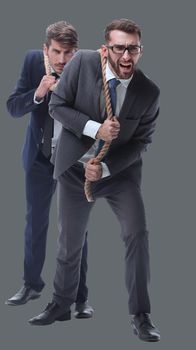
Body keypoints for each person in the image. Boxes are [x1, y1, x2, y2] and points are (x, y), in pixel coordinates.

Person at [29, 18, 160, 342]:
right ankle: (61, 303)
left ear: (140, 51)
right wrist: (94, 129)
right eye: (119, 48)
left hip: (119, 174)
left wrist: (104, 169)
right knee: (69, 241)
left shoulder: (148, 92)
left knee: (137, 234)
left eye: (133, 48)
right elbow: (57, 106)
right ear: (106, 49)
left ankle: (140, 315)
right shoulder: (83, 63)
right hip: (75, 169)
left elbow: (141, 142)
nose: (126, 56)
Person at [6, 21, 93, 319]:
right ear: (45, 49)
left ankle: (81, 297)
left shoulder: (87, 66)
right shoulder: (32, 61)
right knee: (35, 224)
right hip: (39, 158)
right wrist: (39, 92)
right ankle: (31, 284)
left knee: (75, 230)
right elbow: (13, 107)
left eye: (68, 53)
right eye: (56, 51)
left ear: (76, 51)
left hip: (72, 160)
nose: (61, 59)